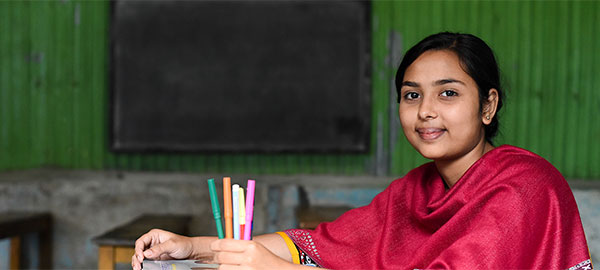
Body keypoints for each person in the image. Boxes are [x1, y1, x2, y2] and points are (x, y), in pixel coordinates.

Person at [131, 32, 592, 270]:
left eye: (448, 94)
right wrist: (192, 248)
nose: (426, 112)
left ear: (488, 105)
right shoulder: (414, 192)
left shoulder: (524, 188)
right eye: (412, 95)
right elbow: (319, 247)